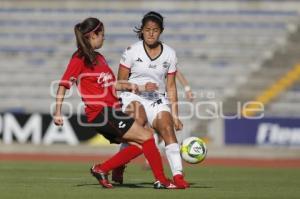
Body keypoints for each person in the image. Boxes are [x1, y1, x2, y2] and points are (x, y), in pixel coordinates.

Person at [53, 17, 178, 189]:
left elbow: (114, 85)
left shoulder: (99, 58)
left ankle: (102, 169)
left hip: (111, 111)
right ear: (92, 35)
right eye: (102, 34)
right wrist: (58, 112)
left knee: (139, 145)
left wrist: (140, 87)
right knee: (148, 137)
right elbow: (63, 84)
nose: (104, 38)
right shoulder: (79, 58)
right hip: (101, 113)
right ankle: (162, 180)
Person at [114, 11, 189, 189]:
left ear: (161, 31)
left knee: (167, 128)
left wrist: (175, 115)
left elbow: (171, 86)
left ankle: (178, 176)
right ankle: (118, 165)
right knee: (137, 125)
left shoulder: (170, 54)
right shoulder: (132, 51)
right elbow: (119, 83)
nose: (151, 33)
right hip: (132, 95)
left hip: (156, 98)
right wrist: (138, 88)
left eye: (155, 30)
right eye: (147, 29)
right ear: (142, 30)